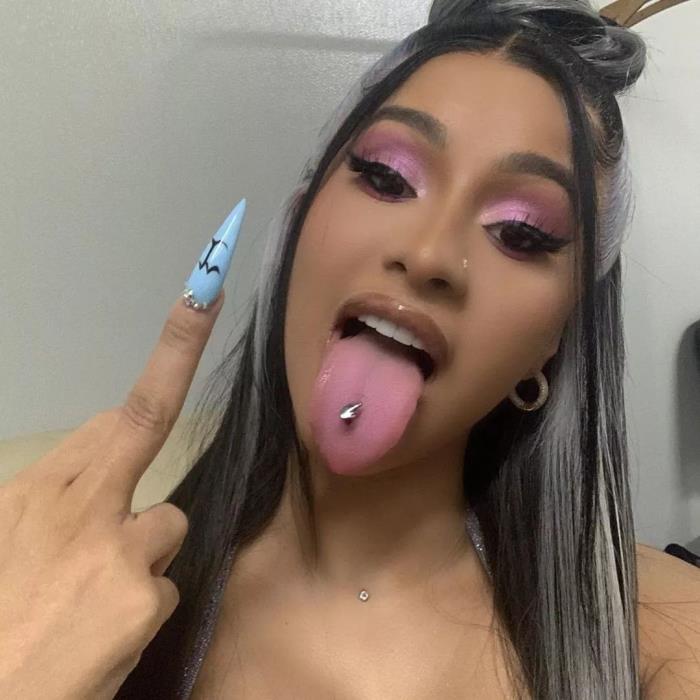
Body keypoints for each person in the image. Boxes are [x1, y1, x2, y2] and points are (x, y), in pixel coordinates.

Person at [2, 1, 698, 699]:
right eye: (387, 177)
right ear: (300, 219)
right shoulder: (66, 601)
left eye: (520, 233)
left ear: (555, 338)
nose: (428, 253)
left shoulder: (664, 632)